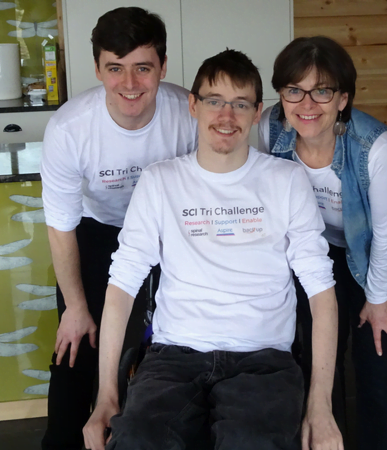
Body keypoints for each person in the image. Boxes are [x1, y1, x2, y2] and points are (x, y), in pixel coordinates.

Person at [82, 49, 344, 450]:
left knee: (250, 443)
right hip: (173, 358)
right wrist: (105, 398)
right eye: (214, 101)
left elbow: (321, 292)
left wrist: (321, 407)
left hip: (264, 360)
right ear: (193, 105)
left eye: (240, 104)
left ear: (257, 113)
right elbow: (122, 285)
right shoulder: (160, 181)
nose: (227, 116)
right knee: (138, 440)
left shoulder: (286, 181)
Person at [39, 7, 197, 449]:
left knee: (166, 349)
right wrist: (74, 307)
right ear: (98, 69)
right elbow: (61, 225)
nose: (130, 85)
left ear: (163, 67)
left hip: (169, 235)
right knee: (76, 348)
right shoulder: (70, 129)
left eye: (143, 68)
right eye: (116, 68)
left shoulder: (187, 113)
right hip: (97, 233)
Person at [258, 36, 387, 450]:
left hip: (381, 248)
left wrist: (378, 300)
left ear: (343, 98)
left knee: (376, 360)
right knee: (314, 354)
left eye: (322, 91)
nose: (306, 105)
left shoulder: (376, 148)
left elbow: (384, 234)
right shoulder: (269, 128)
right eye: (294, 90)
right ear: (281, 93)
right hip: (317, 247)